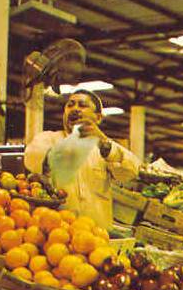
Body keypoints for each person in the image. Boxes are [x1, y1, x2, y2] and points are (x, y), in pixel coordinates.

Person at [25, 89, 141, 229]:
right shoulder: (48, 138)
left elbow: (132, 171)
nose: (75, 109)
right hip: (57, 234)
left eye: (82, 105)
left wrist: (104, 142)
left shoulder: (104, 148)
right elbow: (31, 158)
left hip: (96, 237)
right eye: (70, 105)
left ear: (98, 117)